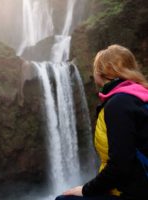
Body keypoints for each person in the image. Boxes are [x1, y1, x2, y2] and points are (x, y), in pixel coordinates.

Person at [55, 44, 148, 200]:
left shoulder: (119, 104)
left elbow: (121, 165)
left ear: (100, 72)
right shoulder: (139, 96)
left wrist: (85, 190)